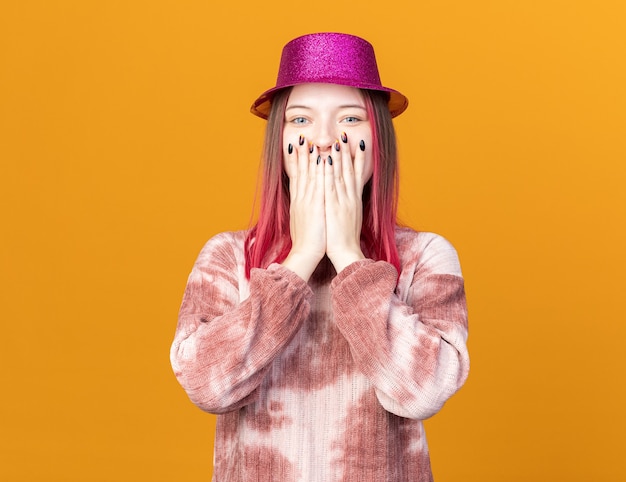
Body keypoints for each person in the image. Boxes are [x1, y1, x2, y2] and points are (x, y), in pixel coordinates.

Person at [170, 32, 469, 481]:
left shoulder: (427, 257)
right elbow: (205, 385)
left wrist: (350, 257)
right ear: (280, 141)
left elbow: (423, 391)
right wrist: (302, 257)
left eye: (350, 118)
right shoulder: (229, 256)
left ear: (378, 138)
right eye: (301, 121)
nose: (325, 140)